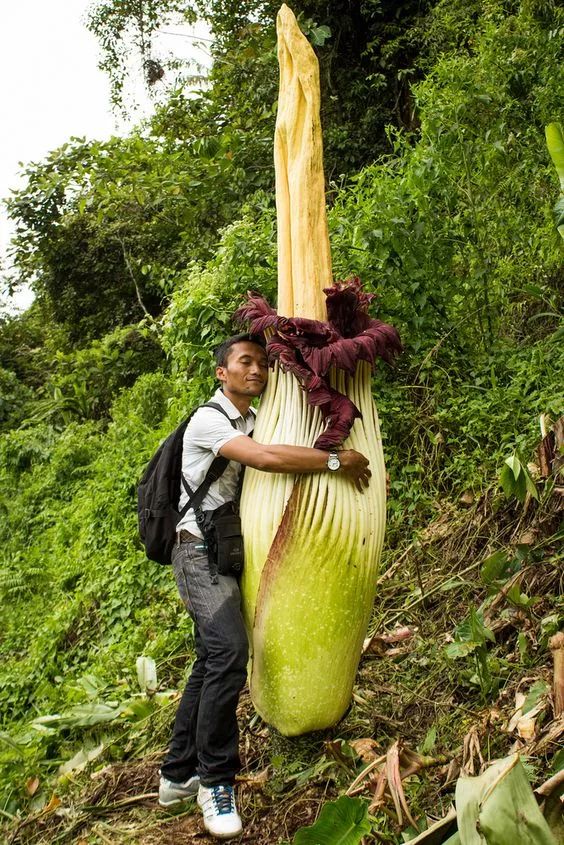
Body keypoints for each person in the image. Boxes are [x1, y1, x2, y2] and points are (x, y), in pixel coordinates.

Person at [158, 333, 371, 839]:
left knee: (210, 659)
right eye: (244, 362)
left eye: (262, 363)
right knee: (230, 651)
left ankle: (176, 775)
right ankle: (216, 782)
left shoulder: (257, 418)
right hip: (195, 552)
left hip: (230, 550)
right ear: (221, 373)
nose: (256, 370)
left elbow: (275, 447)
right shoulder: (209, 421)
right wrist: (338, 461)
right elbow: (268, 460)